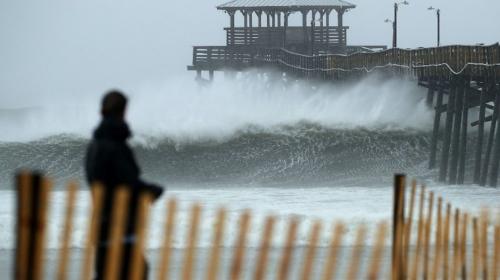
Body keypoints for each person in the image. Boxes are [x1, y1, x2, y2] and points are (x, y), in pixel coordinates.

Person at [85, 90, 164, 280]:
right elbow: (128, 183)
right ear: (123, 112)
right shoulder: (115, 146)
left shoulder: (93, 146)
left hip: (101, 225)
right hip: (120, 226)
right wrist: (152, 190)